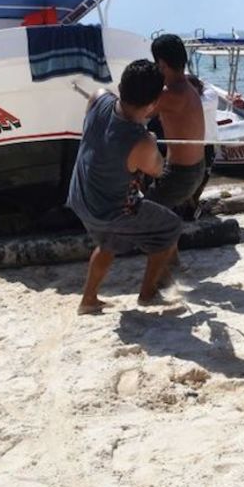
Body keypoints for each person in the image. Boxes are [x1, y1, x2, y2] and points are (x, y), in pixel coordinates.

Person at [68, 59, 182, 314]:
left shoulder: (98, 97)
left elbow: (102, 131)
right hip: (110, 209)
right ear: (154, 104)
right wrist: (150, 140)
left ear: (120, 86)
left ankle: (88, 300)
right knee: (170, 228)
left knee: (108, 242)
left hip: (81, 196)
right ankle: (148, 293)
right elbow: (157, 169)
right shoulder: (140, 141)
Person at [145, 34, 207, 216]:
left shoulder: (169, 95)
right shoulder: (189, 87)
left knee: (142, 213)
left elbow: (136, 111)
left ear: (162, 64)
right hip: (197, 169)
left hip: (181, 175)